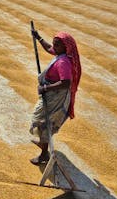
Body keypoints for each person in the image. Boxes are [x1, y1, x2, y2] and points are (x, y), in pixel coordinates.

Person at [29, 30, 81, 165]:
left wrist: (45, 88)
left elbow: (65, 82)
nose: (54, 47)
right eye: (54, 44)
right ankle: (43, 144)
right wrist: (38, 37)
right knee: (42, 120)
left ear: (66, 47)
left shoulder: (63, 61)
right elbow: (48, 48)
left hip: (56, 96)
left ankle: (43, 155)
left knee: (44, 122)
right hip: (52, 94)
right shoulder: (61, 54)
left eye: (57, 45)